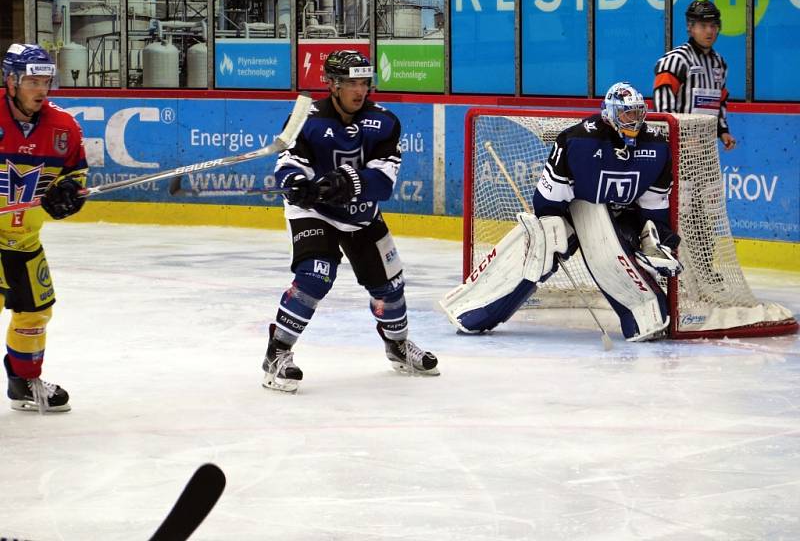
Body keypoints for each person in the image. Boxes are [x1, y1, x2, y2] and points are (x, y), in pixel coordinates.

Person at [441, 82, 684, 342]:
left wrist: (654, 240)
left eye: (638, 113)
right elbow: (547, 202)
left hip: (624, 216)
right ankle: (473, 310)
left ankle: (645, 318)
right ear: (611, 113)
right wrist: (552, 233)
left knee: (615, 253)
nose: (634, 120)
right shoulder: (578, 141)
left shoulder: (657, 148)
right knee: (543, 246)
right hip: (575, 209)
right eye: (627, 113)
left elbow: (654, 210)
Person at [262, 49, 439, 393]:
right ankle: (277, 354)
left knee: (389, 288)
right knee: (314, 275)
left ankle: (398, 346)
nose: (359, 91)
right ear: (332, 84)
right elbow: (288, 163)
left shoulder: (385, 122)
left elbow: (384, 182)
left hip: (361, 214)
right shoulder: (306, 119)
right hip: (315, 212)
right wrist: (295, 182)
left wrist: (347, 182)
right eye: (350, 83)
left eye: (364, 83)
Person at [0, 43, 89, 412]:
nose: (41, 89)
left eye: (45, 81)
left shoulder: (64, 128)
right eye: (32, 81)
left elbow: (76, 177)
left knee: (36, 311)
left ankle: (23, 383)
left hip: (25, 241)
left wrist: (68, 194)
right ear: (11, 80)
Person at [653, 0, 735, 151]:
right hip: (675, 150)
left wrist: (722, 131)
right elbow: (663, 110)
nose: (710, 31)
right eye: (703, 26)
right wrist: (681, 138)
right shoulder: (675, 60)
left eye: (713, 25)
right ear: (690, 27)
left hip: (705, 150)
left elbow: (719, 101)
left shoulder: (719, 63)